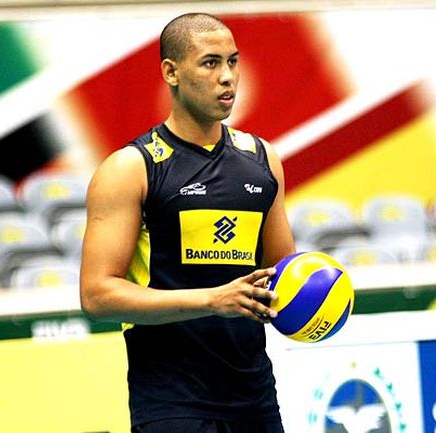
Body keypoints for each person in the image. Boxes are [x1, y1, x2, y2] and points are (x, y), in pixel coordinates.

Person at [80, 12, 296, 433]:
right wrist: (211, 300)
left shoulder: (262, 159)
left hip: (255, 398)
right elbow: (96, 295)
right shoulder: (130, 168)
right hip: (171, 402)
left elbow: (284, 276)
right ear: (171, 72)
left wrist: (317, 296)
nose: (227, 77)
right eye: (210, 63)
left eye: (232, 61)